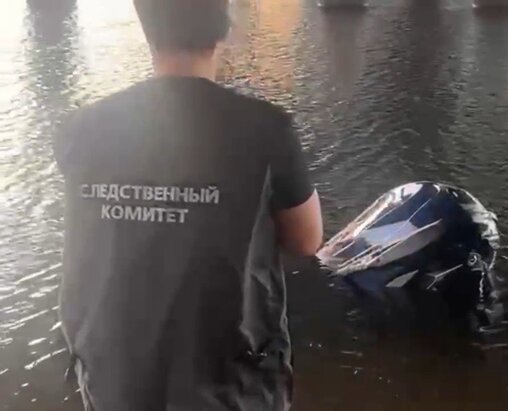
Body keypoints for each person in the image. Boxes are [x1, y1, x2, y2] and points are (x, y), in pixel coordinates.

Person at [53, 0, 322, 409]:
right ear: (222, 29)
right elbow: (306, 239)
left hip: (115, 376)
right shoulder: (266, 128)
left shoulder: (81, 129)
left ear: (147, 27)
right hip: (228, 381)